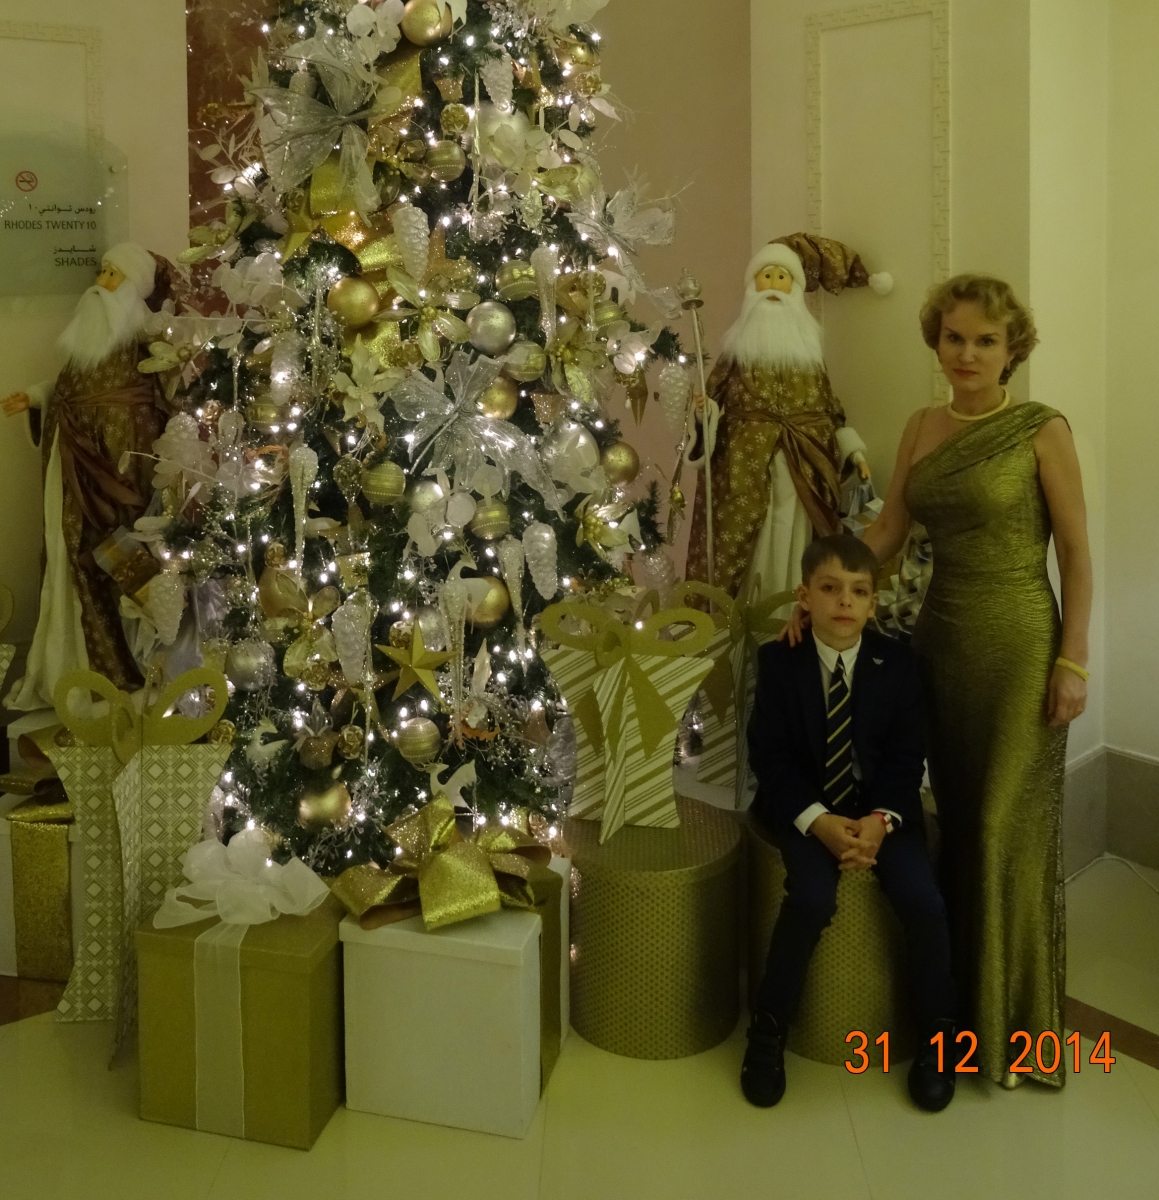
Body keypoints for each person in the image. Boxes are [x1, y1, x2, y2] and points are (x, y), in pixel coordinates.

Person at [783, 275, 1091, 1088]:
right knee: (954, 820)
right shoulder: (922, 425)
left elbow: (1074, 553)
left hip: (1020, 643)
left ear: (1011, 349)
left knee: (999, 826)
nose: (967, 354)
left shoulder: (1040, 428)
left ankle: (1012, 1028)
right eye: (954, 338)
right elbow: (886, 529)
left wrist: (1073, 659)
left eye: (985, 341)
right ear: (936, 342)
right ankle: (952, 1018)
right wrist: (817, 591)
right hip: (941, 642)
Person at [742, 534, 957, 1111]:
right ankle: (767, 1032)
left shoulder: (898, 664)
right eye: (830, 588)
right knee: (811, 898)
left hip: (882, 812)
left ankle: (938, 1037)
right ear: (804, 597)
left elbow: (907, 757)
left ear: (872, 602)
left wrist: (880, 823)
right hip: (807, 811)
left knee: (923, 899)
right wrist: (819, 823)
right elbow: (770, 757)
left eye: (858, 592)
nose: (844, 601)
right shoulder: (779, 662)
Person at [2, 242, 169, 711]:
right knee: (71, 555)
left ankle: (129, 671)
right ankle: (77, 668)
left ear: (133, 286)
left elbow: (156, 402)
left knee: (117, 556)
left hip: (118, 471)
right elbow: (71, 388)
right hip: (72, 469)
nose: (100, 283)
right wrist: (36, 398)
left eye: (113, 275)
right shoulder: (89, 337)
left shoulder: (146, 341)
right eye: (102, 272)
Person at [684, 238, 874, 603]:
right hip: (742, 472)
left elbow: (830, 411)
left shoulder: (810, 357)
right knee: (744, 546)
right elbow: (712, 401)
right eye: (766, 276)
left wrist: (853, 451)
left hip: (802, 470)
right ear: (752, 286)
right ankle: (742, 626)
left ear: (795, 289)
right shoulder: (735, 354)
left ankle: (788, 615)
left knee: (794, 539)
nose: (773, 285)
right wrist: (705, 413)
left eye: (782, 278)